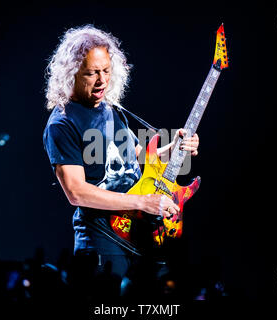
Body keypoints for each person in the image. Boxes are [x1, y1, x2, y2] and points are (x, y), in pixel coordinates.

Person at [42, 25, 199, 298]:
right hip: (101, 243)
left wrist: (176, 149)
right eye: (91, 73)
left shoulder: (112, 109)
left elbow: (138, 160)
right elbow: (76, 192)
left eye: (105, 70)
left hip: (139, 236)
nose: (101, 80)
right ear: (72, 73)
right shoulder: (62, 123)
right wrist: (143, 202)